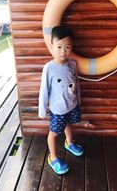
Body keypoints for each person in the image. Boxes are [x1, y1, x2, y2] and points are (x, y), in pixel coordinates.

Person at [38, 25, 83, 175]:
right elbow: (44, 90)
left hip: (72, 106)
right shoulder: (48, 68)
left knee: (69, 124)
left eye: (67, 47)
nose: (63, 51)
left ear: (72, 47)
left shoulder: (72, 64)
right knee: (54, 133)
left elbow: (76, 84)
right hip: (57, 110)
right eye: (59, 47)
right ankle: (53, 157)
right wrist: (42, 110)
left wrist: (79, 100)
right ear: (51, 46)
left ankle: (69, 143)